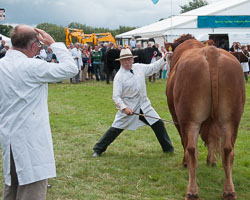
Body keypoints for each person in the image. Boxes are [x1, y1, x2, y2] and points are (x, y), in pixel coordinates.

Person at [0, 25, 78, 200]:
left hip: (9, 138)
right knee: (31, 192)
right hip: (31, 142)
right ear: (35, 45)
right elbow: (71, 69)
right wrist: (54, 44)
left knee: (11, 191)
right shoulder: (33, 66)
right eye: (40, 47)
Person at [92, 48, 174, 157]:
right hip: (128, 108)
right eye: (124, 60)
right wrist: (124, 108)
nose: (127, 62)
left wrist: (164, 59)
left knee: (158, 123)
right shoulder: (119, 77)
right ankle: (98, 149)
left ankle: (168, 149)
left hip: (144, 105)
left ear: (133, 59)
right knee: (115, 129)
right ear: (120, 61)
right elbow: (116, 97)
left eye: (129, 59)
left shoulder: (139, 67)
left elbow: (152, 68)